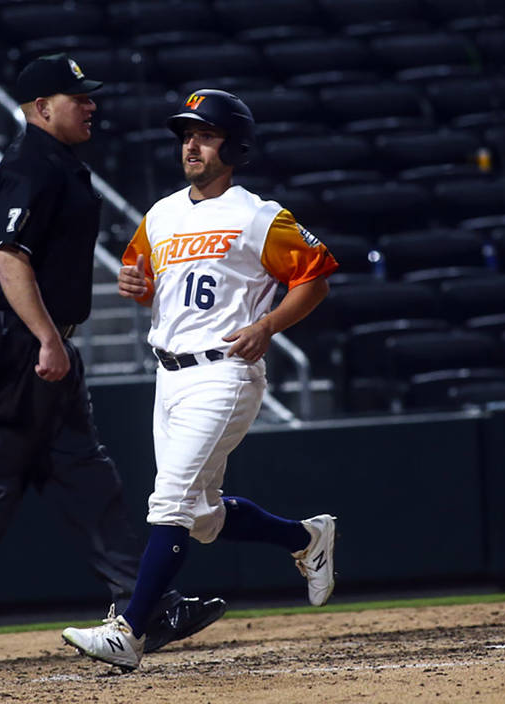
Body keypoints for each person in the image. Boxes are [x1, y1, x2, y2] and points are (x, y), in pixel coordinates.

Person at [0, 55, 225, 669]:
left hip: (43, 347)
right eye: (78, 97)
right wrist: (48, 339)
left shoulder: (58, 164)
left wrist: (56, 342)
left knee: (88, 480)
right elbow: (8, 257)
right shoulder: (32, 164)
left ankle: (145, 605)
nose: (91, 104)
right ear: (42, 108)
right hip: (14, 348)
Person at [61, 89, 341, 672]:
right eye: (186, 133)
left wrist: (268, 324)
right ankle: (305, 539)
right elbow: (143, 277)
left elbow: (315, 278)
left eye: (205, 134)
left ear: (233, 145)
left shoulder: (258, 214)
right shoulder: (161, 214)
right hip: (170, 375)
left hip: (226, 373)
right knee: (204, 518)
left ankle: (129, 632)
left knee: (169, 501)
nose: (191, 143)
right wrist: (137, 288)